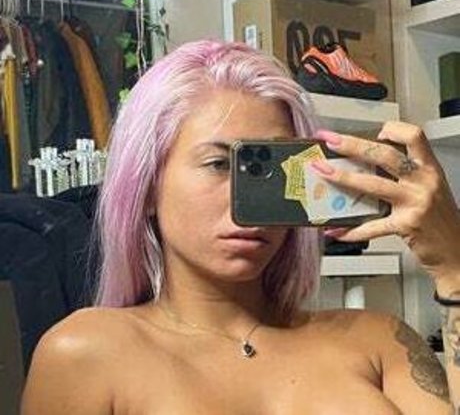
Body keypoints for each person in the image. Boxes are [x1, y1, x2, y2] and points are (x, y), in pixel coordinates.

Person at [21, 40, 460, 414]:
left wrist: (453, 265)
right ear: (148, 185)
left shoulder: (380, 342)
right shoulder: (87, 352)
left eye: (270, 170)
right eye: (218, 163)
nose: (246, 200)